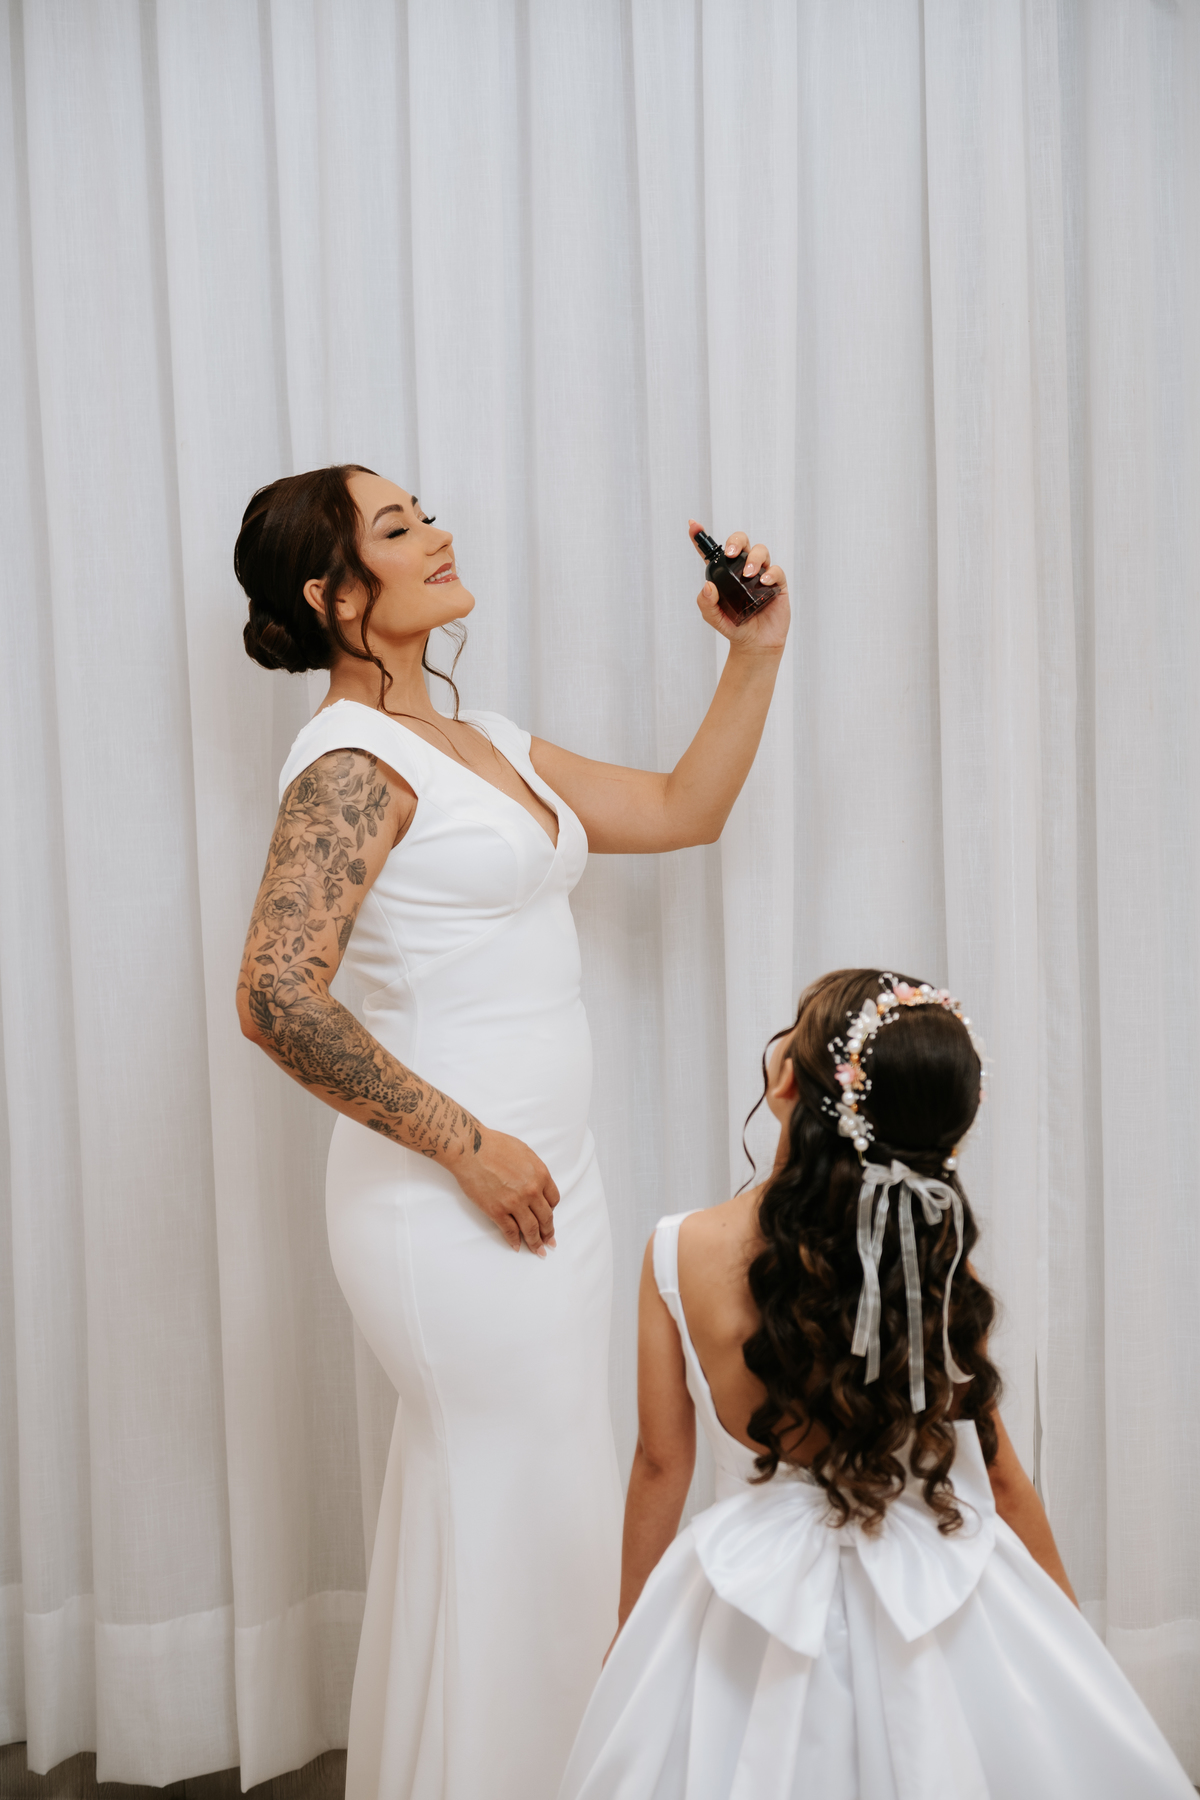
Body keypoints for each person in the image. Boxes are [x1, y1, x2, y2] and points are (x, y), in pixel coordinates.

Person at [232, 464, 790, 1800]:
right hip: (446, 1201)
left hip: (552, 1184)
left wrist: (756, 650)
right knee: (519, 1499)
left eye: (424, 512)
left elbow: (683, 810)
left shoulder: (483, 739)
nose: (437, 534)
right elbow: (274, 995)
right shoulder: (352, 763)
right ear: (335, 596)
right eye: (398, 527)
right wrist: (464, 1143)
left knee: (528, 1498)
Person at [559, 967, 1196, 1800]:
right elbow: (1000, 1477)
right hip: (931, 1583)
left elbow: (659, 1463)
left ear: (787, 1084)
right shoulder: (933, 1254)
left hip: (745, 1593)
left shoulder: (679, 1250)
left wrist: (631, 1631)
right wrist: (1070, 1636)